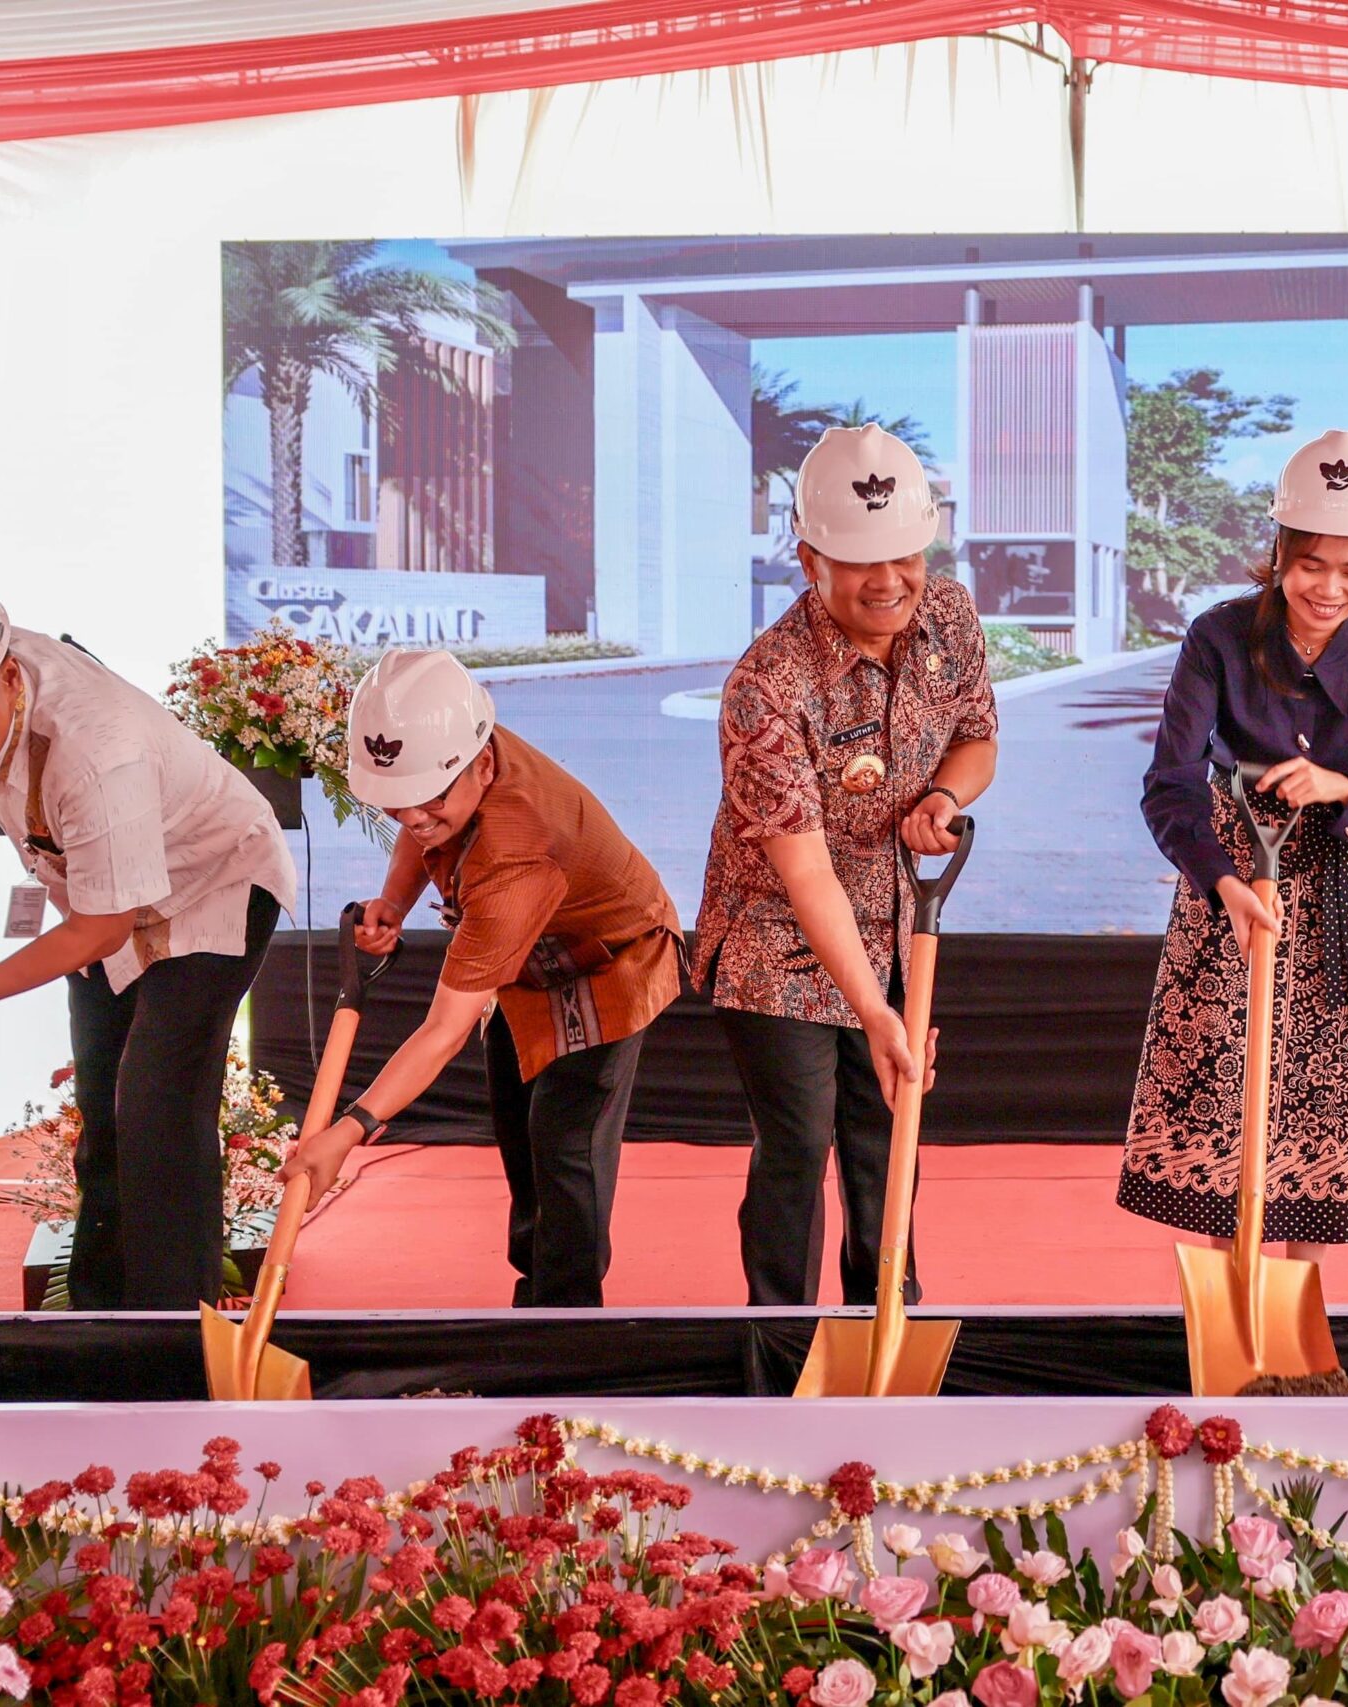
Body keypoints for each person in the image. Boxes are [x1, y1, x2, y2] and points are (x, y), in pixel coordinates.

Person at [0, 562, 295, 1309]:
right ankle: (97, 1314)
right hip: (102, 885)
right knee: (101, 1097)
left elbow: (100, 928)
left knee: (158, 1102)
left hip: (213, 882)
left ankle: (170, 1335)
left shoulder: (97, 749)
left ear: (1, 676)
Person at [1119, 429, 1348, 1254]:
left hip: (1344, 897)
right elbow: (1171, 783)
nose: (1329, 589)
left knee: (1326, 1120)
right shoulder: (1219, 636)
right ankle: (1215, 1331)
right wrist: (1221, 883)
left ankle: (1298, 1328)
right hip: (1232, 884)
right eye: (1311, 565)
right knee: (1217, 1111)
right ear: (1278, 555)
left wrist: (1345, 789)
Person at [695, 423, 998, 1307]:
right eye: (860, 560)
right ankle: (779, 1334)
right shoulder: (766, 687)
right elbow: (806, 872)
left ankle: (886, 1319)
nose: (889, 581)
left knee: (885, 1136)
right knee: (798, 1142)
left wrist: (943, 797)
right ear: (808, 558)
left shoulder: (948, 616)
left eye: (906, 555)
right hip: (778, 940)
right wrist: (872, 1010)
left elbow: (978, 737)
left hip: (900, 925)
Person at [279, 649, 684, 1307]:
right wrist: (394, 902)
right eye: (396, 805)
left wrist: (346, 1133)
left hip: (609, 962)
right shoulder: (449, 754)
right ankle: (538, 1288)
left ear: (484, 767)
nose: (411, 818)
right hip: (525, 960)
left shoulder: (514, 852)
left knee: (564, 1146)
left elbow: (442, 1030)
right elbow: (424, 818)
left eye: (427, 801)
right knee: (519, 1131)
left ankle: (568, 1319)